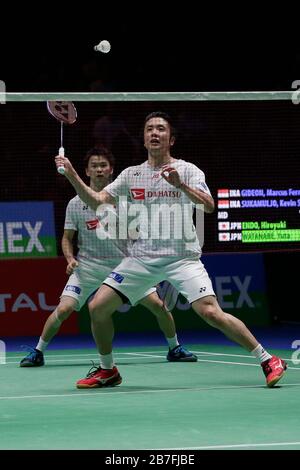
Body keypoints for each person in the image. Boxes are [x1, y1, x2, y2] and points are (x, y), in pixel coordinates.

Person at [55, 112, 287, 389]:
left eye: (161, 129)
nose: (155, 132)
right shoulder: (132, 175)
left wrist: (180, 185)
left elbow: (208, 206)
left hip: (182, 257)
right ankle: (108, 370)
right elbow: (96, 201)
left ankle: (267, 359)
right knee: (98, 307)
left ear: (171, 139)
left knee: (211, 312)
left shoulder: (188, 170)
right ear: (143, 138)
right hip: (142, 258)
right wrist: (71, 175)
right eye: (150, 129)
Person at [20, 146, 197, 367]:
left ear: (111, 169)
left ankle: (175, 348)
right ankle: (38, 351)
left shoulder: (127, 202)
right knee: (64, 309)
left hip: (123, 265)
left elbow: (139, 233)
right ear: (86, 171)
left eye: (103, 165)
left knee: (159, 306)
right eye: (94, 166)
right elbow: (67, 238)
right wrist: (69, 259)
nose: (99, 170)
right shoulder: (75, 204)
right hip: (88, 266)